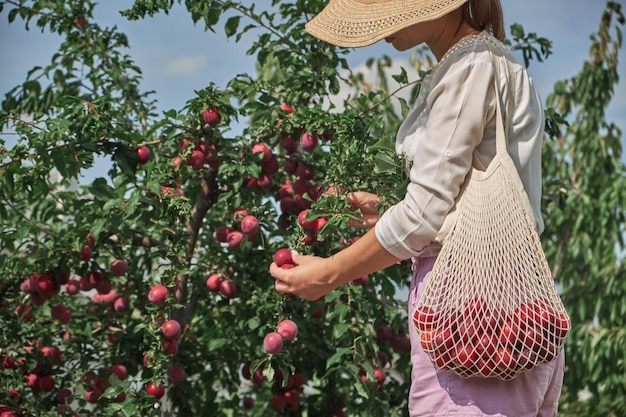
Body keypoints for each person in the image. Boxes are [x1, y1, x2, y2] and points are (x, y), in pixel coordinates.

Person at [269, 0, 565, 416]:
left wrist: (330, 273)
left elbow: (422, 218)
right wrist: (388, 212)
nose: (380, 26)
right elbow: (450, 211)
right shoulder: (486, 62)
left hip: (471, 312)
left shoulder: (470, 68)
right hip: (507, 308)